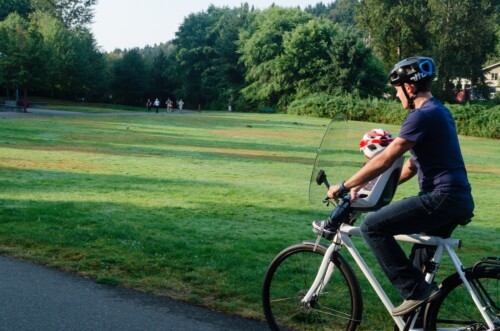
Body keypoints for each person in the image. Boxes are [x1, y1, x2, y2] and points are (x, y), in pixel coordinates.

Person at [325, 56, 474, 317]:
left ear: (410, 87)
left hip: (440, 197)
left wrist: (344, 184)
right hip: (455, 198)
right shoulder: (439, 110)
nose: (396, 95)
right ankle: (415, 319)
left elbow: (385, 159)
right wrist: (369, 187)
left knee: (372, 226)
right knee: (418, 262)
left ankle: (415, 292)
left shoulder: (421, 116)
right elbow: (410, 167)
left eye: (397, 89)